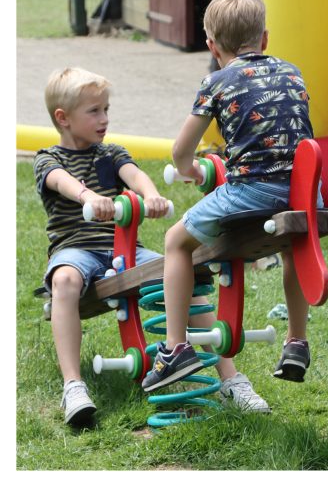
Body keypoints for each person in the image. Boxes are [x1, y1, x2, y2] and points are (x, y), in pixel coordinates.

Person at [34, 67, 268, 426]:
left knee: (182, 276)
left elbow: (134, 174)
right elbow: (62, 182)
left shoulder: (110, 152)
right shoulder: (48, 158)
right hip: (76, 248)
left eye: (106, 109)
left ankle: (231, 379)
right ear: (63, 119)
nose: (104, 119)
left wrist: (152, 194)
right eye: (94, 111)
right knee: (64, 281)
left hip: (124, 249)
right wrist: (89, 196)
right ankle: (73, 386)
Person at [141, 0, 322, 393]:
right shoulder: (292, 71)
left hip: (250, 192)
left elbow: (179, 151)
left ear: (211, 45)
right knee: (291, 242)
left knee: (174, 241)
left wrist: (188, 169)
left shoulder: (217, 82)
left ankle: (175, 349)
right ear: (265, 38)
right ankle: (297, 341)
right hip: (305, 195)